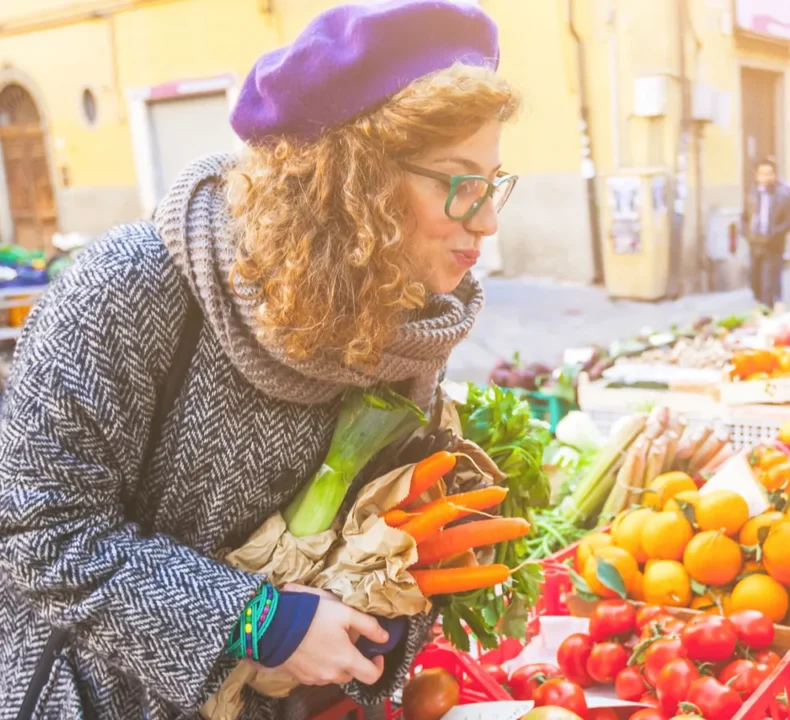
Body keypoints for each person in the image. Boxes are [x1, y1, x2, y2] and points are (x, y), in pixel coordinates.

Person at [0, 2, 518, 718]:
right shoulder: (133, 284)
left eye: (493, 183)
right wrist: (254, 620)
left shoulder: (407, 331)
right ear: (353, 177)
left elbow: (381, 544)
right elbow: (39, 533)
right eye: (458, 181)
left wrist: (386, 616)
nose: (487, 219)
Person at [742, 157, 790, 307]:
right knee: (754, 281)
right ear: (757, 175)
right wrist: (746, 233)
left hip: (773, 244)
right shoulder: (752, 192)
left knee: (769, 283)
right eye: (762, 173)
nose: (765, 177)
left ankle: (768, 309)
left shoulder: (784, 194)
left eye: (769, 173)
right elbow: (744, 216)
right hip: (755, 243)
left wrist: (776, 233)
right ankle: (763, 305)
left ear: (774, 175)